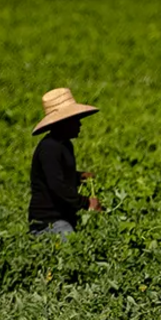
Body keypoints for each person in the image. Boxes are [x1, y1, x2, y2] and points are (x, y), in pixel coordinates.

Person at [30, 87, 100, 236]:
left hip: (63, 219)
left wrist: (78, 176)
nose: (80, 124)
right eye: (76, 120)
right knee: (71, 248)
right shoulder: (49, 148)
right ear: (63, 122)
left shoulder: (64, 145)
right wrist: (87, 203)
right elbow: (57, 185)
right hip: (48, 222)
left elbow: (59, 175)